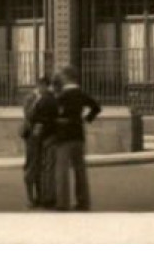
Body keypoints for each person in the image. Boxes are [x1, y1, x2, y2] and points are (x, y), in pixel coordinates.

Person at [49, 66, 102, 211]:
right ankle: (83, 201)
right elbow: (96, 107)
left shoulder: (61, 96)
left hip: (64, 136)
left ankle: (63, 203)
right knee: (80, 170)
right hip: (78, 134)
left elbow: (54, 114)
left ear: (66, 77)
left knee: (62, 171)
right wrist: (86, 119)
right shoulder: (81, 94)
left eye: (61, 76)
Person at [21, 80, 58, 209]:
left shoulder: (47, 98)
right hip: (32, 137)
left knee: (40, 167)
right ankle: (31, 199)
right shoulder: (32, 98)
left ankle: (40, 197)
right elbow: (28, 115)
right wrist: (36, 101)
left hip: (41, 137)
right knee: (32, 167)